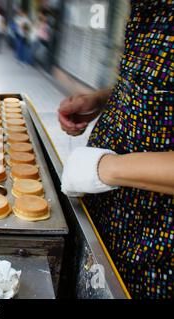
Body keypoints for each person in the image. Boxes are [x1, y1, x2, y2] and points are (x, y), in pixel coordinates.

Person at [60, 0, 173, 299]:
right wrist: (106, 98)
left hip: (153, 254)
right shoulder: (147, 8)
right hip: (104, 221)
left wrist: (104, 168)